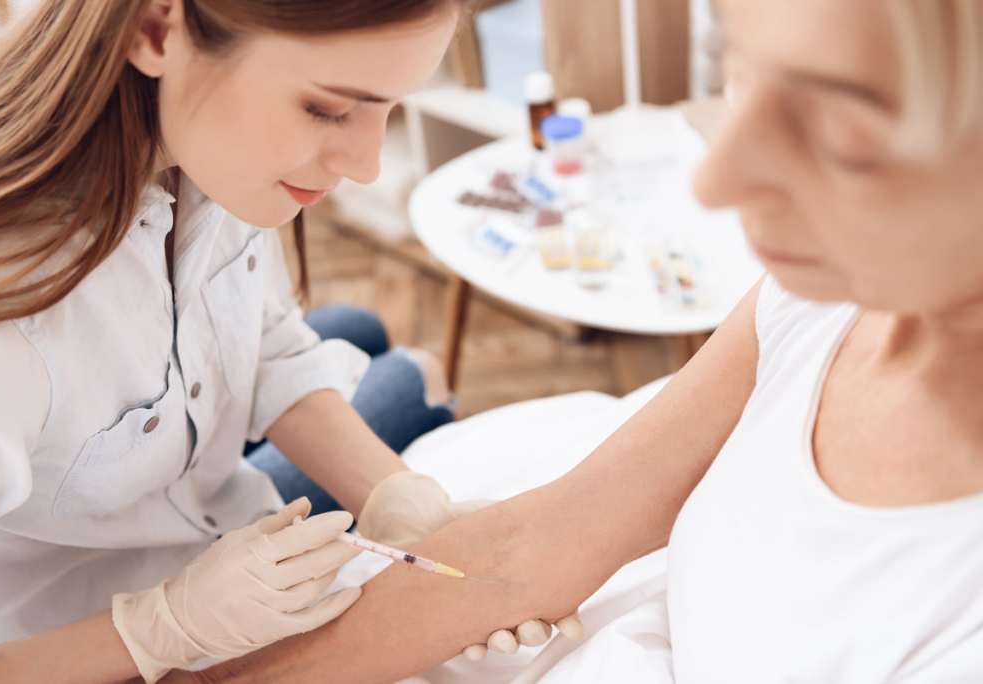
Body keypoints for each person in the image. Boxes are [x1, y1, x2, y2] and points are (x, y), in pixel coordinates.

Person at [156, 0, 983, 681]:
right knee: (380, 355)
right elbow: (530, 549)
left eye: (837, 124)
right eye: (745, 70)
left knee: (386, 364)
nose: (714, 178)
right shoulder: (823, 300)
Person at [0, 0, 556, 681]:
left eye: (389, 106)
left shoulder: (206, 152)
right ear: (155, 31)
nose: (367, 165)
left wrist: (394, 495)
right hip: (76, 648)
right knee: (419, 378)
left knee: (362, 336)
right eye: (329, 109)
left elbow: (267, 342)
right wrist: (156, 631)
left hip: (218, 525)